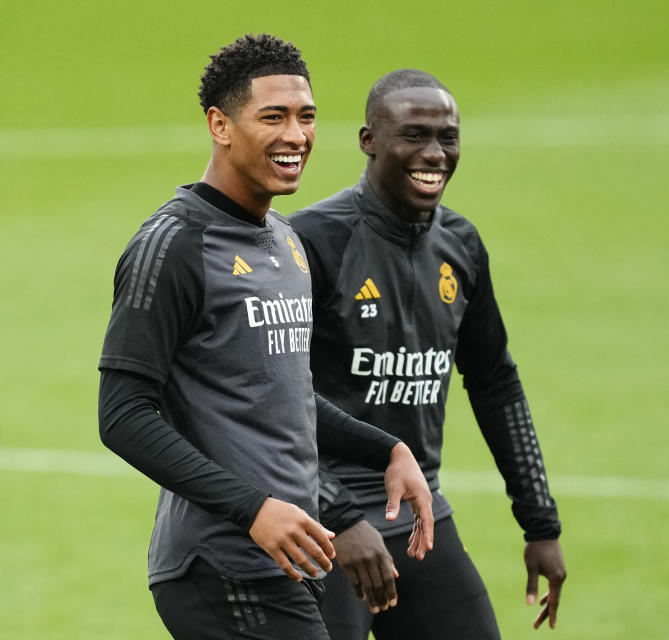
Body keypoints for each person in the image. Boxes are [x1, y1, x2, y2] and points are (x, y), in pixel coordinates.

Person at [97, 36, 434, 639]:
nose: (296, 135)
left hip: (286, 562)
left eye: (306, 117)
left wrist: (384, 449)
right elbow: (122, 415)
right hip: (221, 565)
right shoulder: (174, 245)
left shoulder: (285, 241)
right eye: (272, 117)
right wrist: (252, 509)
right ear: (219, 125)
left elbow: (281, 394)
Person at [288, 69, 566, 639]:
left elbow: (495, 383)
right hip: (320, 523)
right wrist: (335, 515)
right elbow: (268, 399)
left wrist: (540, 522)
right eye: (414, 135)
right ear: (369, 141)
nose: (435, 153)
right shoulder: (311, 243)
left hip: (417, 516)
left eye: (448, 137)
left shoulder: (460, 246)